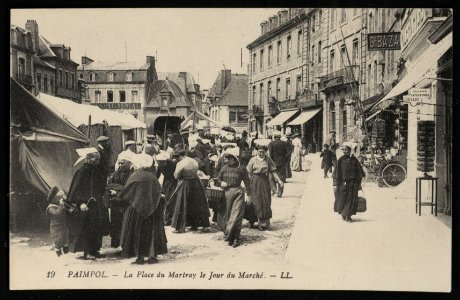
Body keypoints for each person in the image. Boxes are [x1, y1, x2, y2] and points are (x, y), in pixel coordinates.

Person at [119, 153, 168, 264]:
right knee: (151, 233)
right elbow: (158, 192)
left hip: (136, 209)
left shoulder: (134, 176)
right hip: (152, 209)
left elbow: (126, 193)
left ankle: (139, 257)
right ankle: (152, 256)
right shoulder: (152, 177)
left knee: (137, 232)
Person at [67, 148, 109, 260]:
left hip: (96, 204)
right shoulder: (83, 171)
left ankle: (94, 250)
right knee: (87, 229)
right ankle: (87, 252)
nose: (98, 161)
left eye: (98, 159)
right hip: (86, 205)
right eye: (96, 159)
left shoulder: (95, 169)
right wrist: (80, 202)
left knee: (96, 227)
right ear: (88, 158)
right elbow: (77, 188)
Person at [166, 149, 210, 233]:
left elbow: (176, 175)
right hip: (196, 182)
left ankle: (179, 227)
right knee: (198, 203)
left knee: (182, 204)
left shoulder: (181, 163)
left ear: (180, 156)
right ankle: (198, 224)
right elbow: (197, 171)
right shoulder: (194, 161)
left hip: (185, 183)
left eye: (177, 157)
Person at [215, 149, 252, 247]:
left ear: (235, 159)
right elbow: (217, 179)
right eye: (227, 158)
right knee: (228, 215)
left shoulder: (241, 168)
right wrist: (221, 183)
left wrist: (249, 196)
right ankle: (229, 236)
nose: (227, 160)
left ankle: (236, 238)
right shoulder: (224, 168)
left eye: (230, 158)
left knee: (237, 215)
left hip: (238, 193)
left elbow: (247, 183)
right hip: (226, 194)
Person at [246, 145, 283, 231]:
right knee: (256, 201)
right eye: (259, 151)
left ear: (265, 152)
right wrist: (249, 183)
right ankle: (254, 221)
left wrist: (279, 180)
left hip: (264, 181)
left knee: (265, 201)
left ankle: (264, 223)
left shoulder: (268, 159)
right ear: (256, 151)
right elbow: (248, 172)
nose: (261, 153)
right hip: (254, 182)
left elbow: (273, 171)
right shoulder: (252, 160)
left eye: (263, 152)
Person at [105, 151, 134, 248]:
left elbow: (128, 188)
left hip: (125, 203)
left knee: (125, 224)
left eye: (123, 163)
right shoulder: (115, 174)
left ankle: (126, 245)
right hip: (115, 204)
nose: (121, 165)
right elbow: (109, 185)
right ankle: (117, 242)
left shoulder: (131, 174)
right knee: (116, 224)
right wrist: (120, 187)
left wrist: (117, 189)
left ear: (129, 163)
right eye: (119, 163)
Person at [333, 142, 364, 223]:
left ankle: (348, 215)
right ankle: (344, 213)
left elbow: (359, 173)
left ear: (350, 150)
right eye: (344, 150)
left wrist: (359, 184)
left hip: (353, 184)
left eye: (347, 150)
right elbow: (336, 173)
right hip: (343, 183)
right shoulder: (341, 160)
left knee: (351, 200)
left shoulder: (355, 160)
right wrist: (335, 184)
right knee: (343, 199)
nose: (345, 151)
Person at [46, 186, 70, 257]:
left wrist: (68, 210)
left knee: (66, 241)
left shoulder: (59, 205)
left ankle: (66, 255)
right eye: (59, 197)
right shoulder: (50, 208)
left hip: (63, 227)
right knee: (58, 242)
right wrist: (61, 204)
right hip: (56, 229)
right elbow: (57, 214)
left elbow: (64, 211)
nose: (61, 199)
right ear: (54, 199)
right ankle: (59, 256)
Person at [155, 151, 178, 225]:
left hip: (173, 181)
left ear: (165, 161)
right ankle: (167, 218)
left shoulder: (172, 164)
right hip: (166, 182)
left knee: (171, 199)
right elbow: (157, 176)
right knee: (165, 200)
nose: (159, 164)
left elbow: (176, 174)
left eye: (160, 163)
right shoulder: (159, 165)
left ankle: (171, 218)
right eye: (158, 163)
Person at [268, 131, 289, 197]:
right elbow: (287, 153)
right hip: (282, 162)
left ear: (274, 136)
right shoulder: (284, 143)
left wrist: (271, 162)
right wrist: (285, 159)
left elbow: (270, 154)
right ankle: (280, 192)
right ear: (280, 136)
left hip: (273, 163)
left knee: (271, 177)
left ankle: (274, 190)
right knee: (281, 177)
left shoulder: (271, 143)